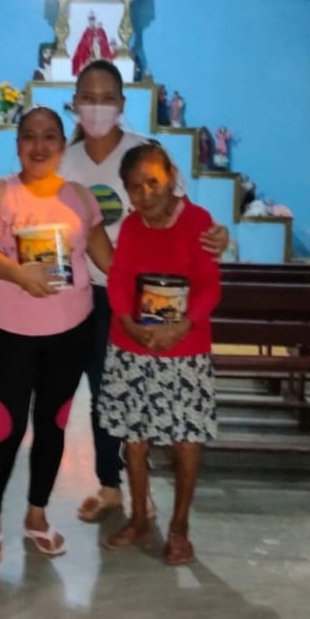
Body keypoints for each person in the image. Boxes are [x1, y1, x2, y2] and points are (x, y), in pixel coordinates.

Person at [59, 59, 228, 523]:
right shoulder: (66, 161)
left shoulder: (144, 152)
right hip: (83, 291)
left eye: (106, 98)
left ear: (121, 103)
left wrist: (218, 235)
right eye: (88, 98)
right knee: (106, 394)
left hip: (147, 298)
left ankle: (142, 495)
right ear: (74, 104)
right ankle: (111, 486)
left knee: (140, 395)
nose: (97, 107)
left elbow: (184, 215)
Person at [0, 106, 113, 561]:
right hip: (9, 332)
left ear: (62, 145)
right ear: (17, 145)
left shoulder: (81, 197)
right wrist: (18, 274)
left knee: (53, 426)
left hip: (71, 331)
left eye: (50, 136)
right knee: (6, 428)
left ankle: (37, 516)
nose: (39, 145)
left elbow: (110, 260)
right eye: (29, 136)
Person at [96, 141, 221, 566]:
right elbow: (119, 278)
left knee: (186, 440)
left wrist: (182, 326)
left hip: (185, 348)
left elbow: (209, 286)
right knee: (134, 440)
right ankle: (139, 519)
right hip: (132, 345)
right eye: (135, 187)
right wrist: (128, 322)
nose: (145, 194)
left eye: (153, 182)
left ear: (171, 178)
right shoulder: (131, 227)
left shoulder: (199, 222)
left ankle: (180, 528)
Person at [71, 10, 115, 76]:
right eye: (90, 19)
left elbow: (104, 43)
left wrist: (97, 41)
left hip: (99, 55)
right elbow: (82, 45)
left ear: (95, 20)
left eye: (93, 19)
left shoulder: (100, 31)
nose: (91, 21)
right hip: (89, 56)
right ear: (88, 20)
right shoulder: (86, 32)